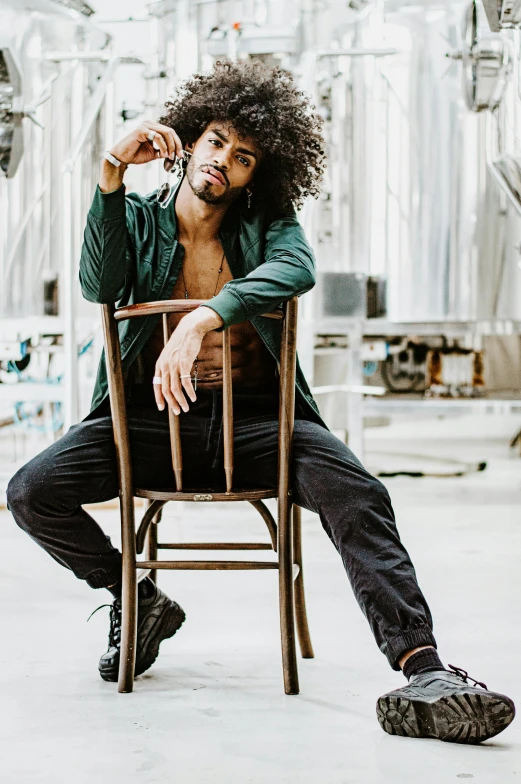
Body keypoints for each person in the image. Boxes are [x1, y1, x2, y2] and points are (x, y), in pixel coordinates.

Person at [7, 60, 515, 744]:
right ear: (189, 139)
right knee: (32, 491)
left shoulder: (268, 224)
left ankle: (422, 668)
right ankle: (135, 597)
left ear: (257, 175)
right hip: (145, 425)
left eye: (243, 157)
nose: (223, 162)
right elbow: (101, 283)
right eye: (216, 141)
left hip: (256, 422)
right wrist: (109, 173)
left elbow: (297, 269)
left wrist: (200, 317)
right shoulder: (130, 214)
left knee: (358, 492)